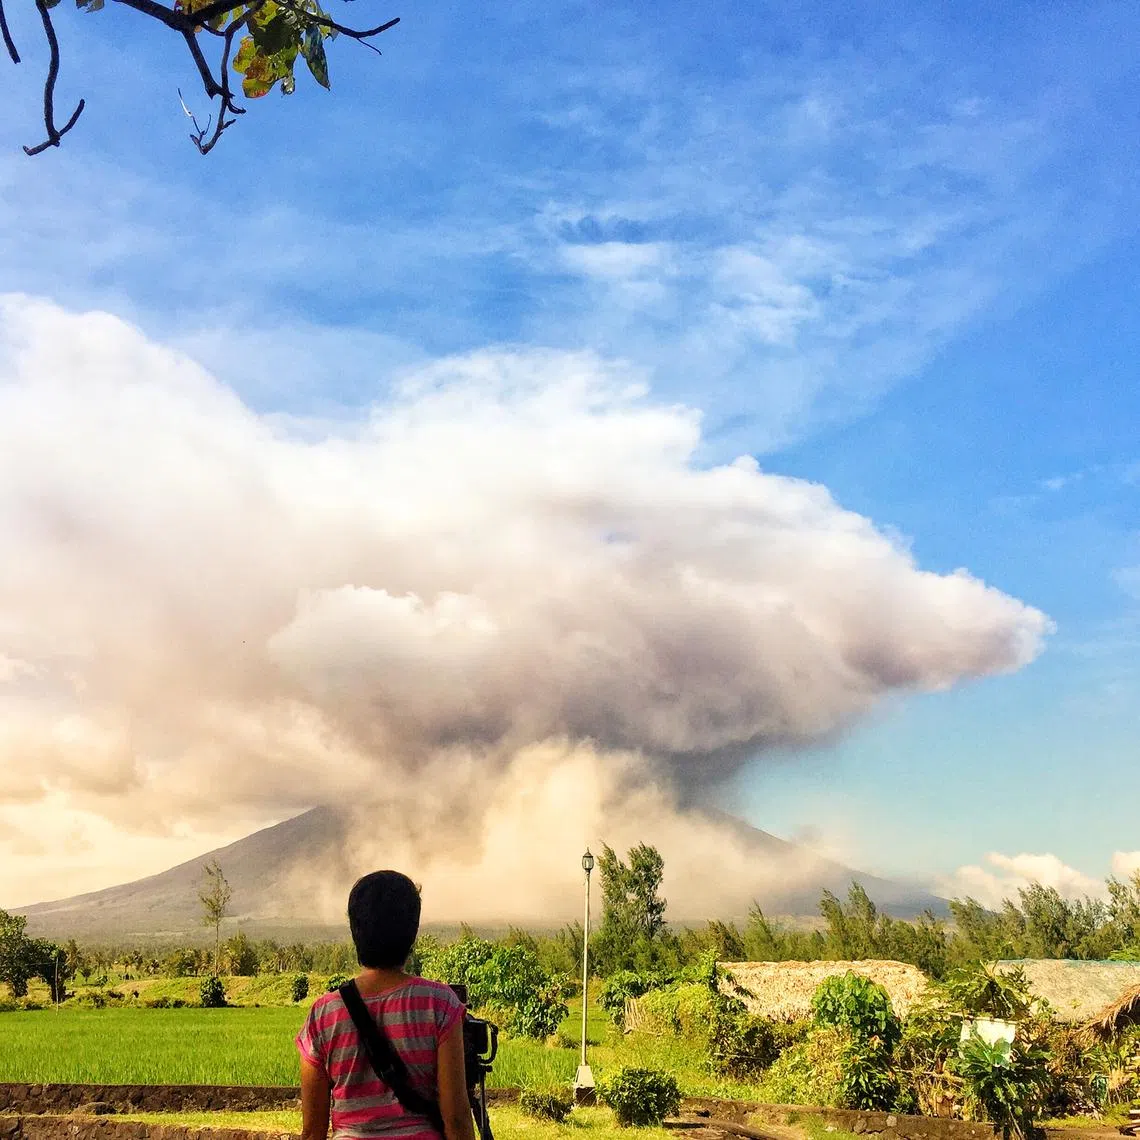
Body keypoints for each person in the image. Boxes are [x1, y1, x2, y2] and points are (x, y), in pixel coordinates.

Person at [296, 871, 476, 1140]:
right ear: (412, 932)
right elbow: (457, 1120)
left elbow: (312, 1131)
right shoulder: (439, 1003)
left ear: (355, 930)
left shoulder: (324, 1014)